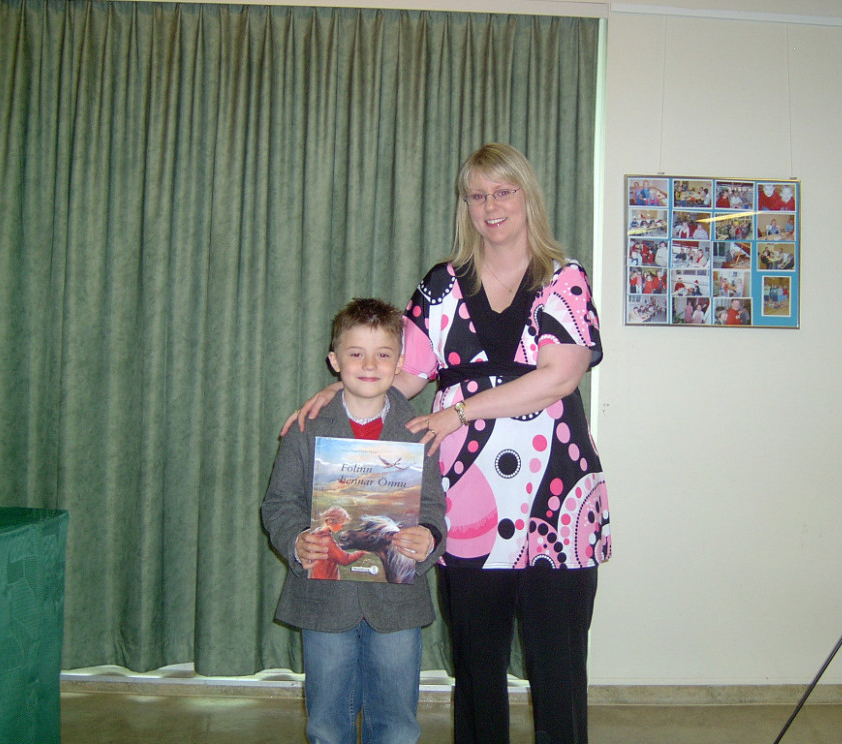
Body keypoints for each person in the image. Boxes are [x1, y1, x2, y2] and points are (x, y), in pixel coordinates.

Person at [286, 143, 611, 744]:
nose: (491, 205)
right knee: (477, 669)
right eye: (477, 195)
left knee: (559, 669)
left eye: (503, 191)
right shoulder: (443, 283)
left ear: (527, 197)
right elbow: (401, 374)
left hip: (557, 503)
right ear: (466, 205)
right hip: (467, 502)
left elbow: (558, 377)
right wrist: (337, 393)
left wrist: (458, 411)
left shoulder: (564, 278)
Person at [262, 297, 447, 744]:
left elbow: (433, 507)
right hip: (324, 600)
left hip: (397, 602)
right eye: (356, 353)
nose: (369, 365)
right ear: (335, 361)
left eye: (383, 354)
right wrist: (298, 541)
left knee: (397, 723)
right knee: (327, 722)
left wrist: (428, 537)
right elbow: (278, 503)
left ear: (399, 364)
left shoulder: (420, 431)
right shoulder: (306, 428)